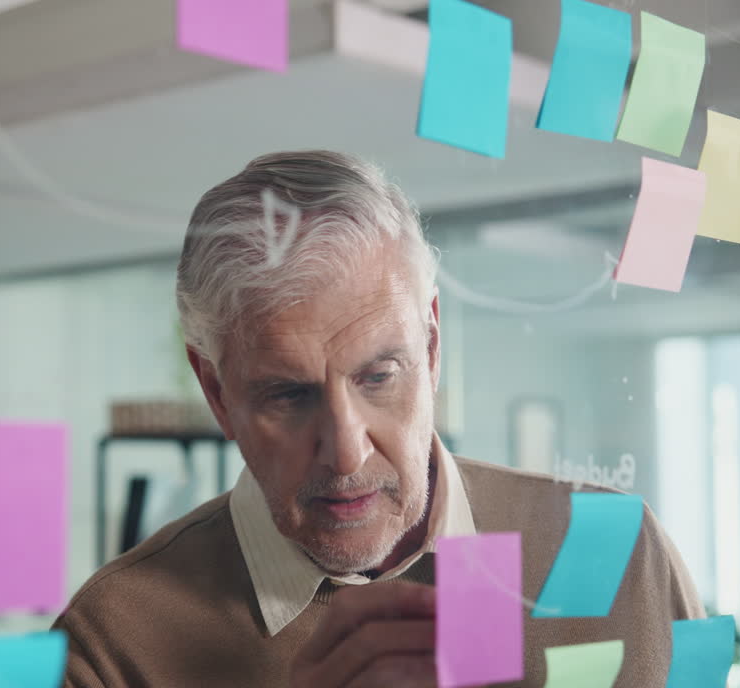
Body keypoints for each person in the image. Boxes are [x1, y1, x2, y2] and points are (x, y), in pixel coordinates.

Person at [53, 151, 704, 687]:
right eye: (289, 394)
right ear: (217, 393)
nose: (346, 452)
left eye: (377, 377)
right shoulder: (113, 645)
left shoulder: (620, 558)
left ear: (431, 345)